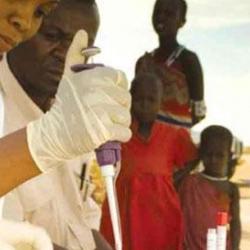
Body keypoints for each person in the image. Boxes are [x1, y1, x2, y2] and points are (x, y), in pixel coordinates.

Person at [0, 0, 131, 249]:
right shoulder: (4, 112)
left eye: (82, 47)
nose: (65, 54)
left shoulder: (76, 120)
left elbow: (84, 223)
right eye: (52, 36)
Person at [101, 72, 197, 250]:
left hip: (161, 214)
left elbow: (194, 158)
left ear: (160, 103)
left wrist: (173, 181)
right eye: (140, 99)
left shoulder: (173, 135)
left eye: (151, 100)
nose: (145, 105)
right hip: (124, 211)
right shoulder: (119, 132)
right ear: (131, 99)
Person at [135, 0, 206, 128]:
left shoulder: (188, 60)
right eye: (157, 12)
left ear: (182, 21)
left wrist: (174, 131)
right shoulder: (143, 63)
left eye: (169, 14)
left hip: (176, 142)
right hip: (144, 141)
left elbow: (199, 112)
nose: (161, 17)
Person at [178, 125, 241, 250]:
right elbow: (169, 185)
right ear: (200, 154)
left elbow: (235, 223)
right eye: (208, 154)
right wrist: (192, 162)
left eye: (220, 155)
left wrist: (235, 248)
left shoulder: (231, 189)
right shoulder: (190, 182)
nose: (213, 160)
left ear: (229, 155)